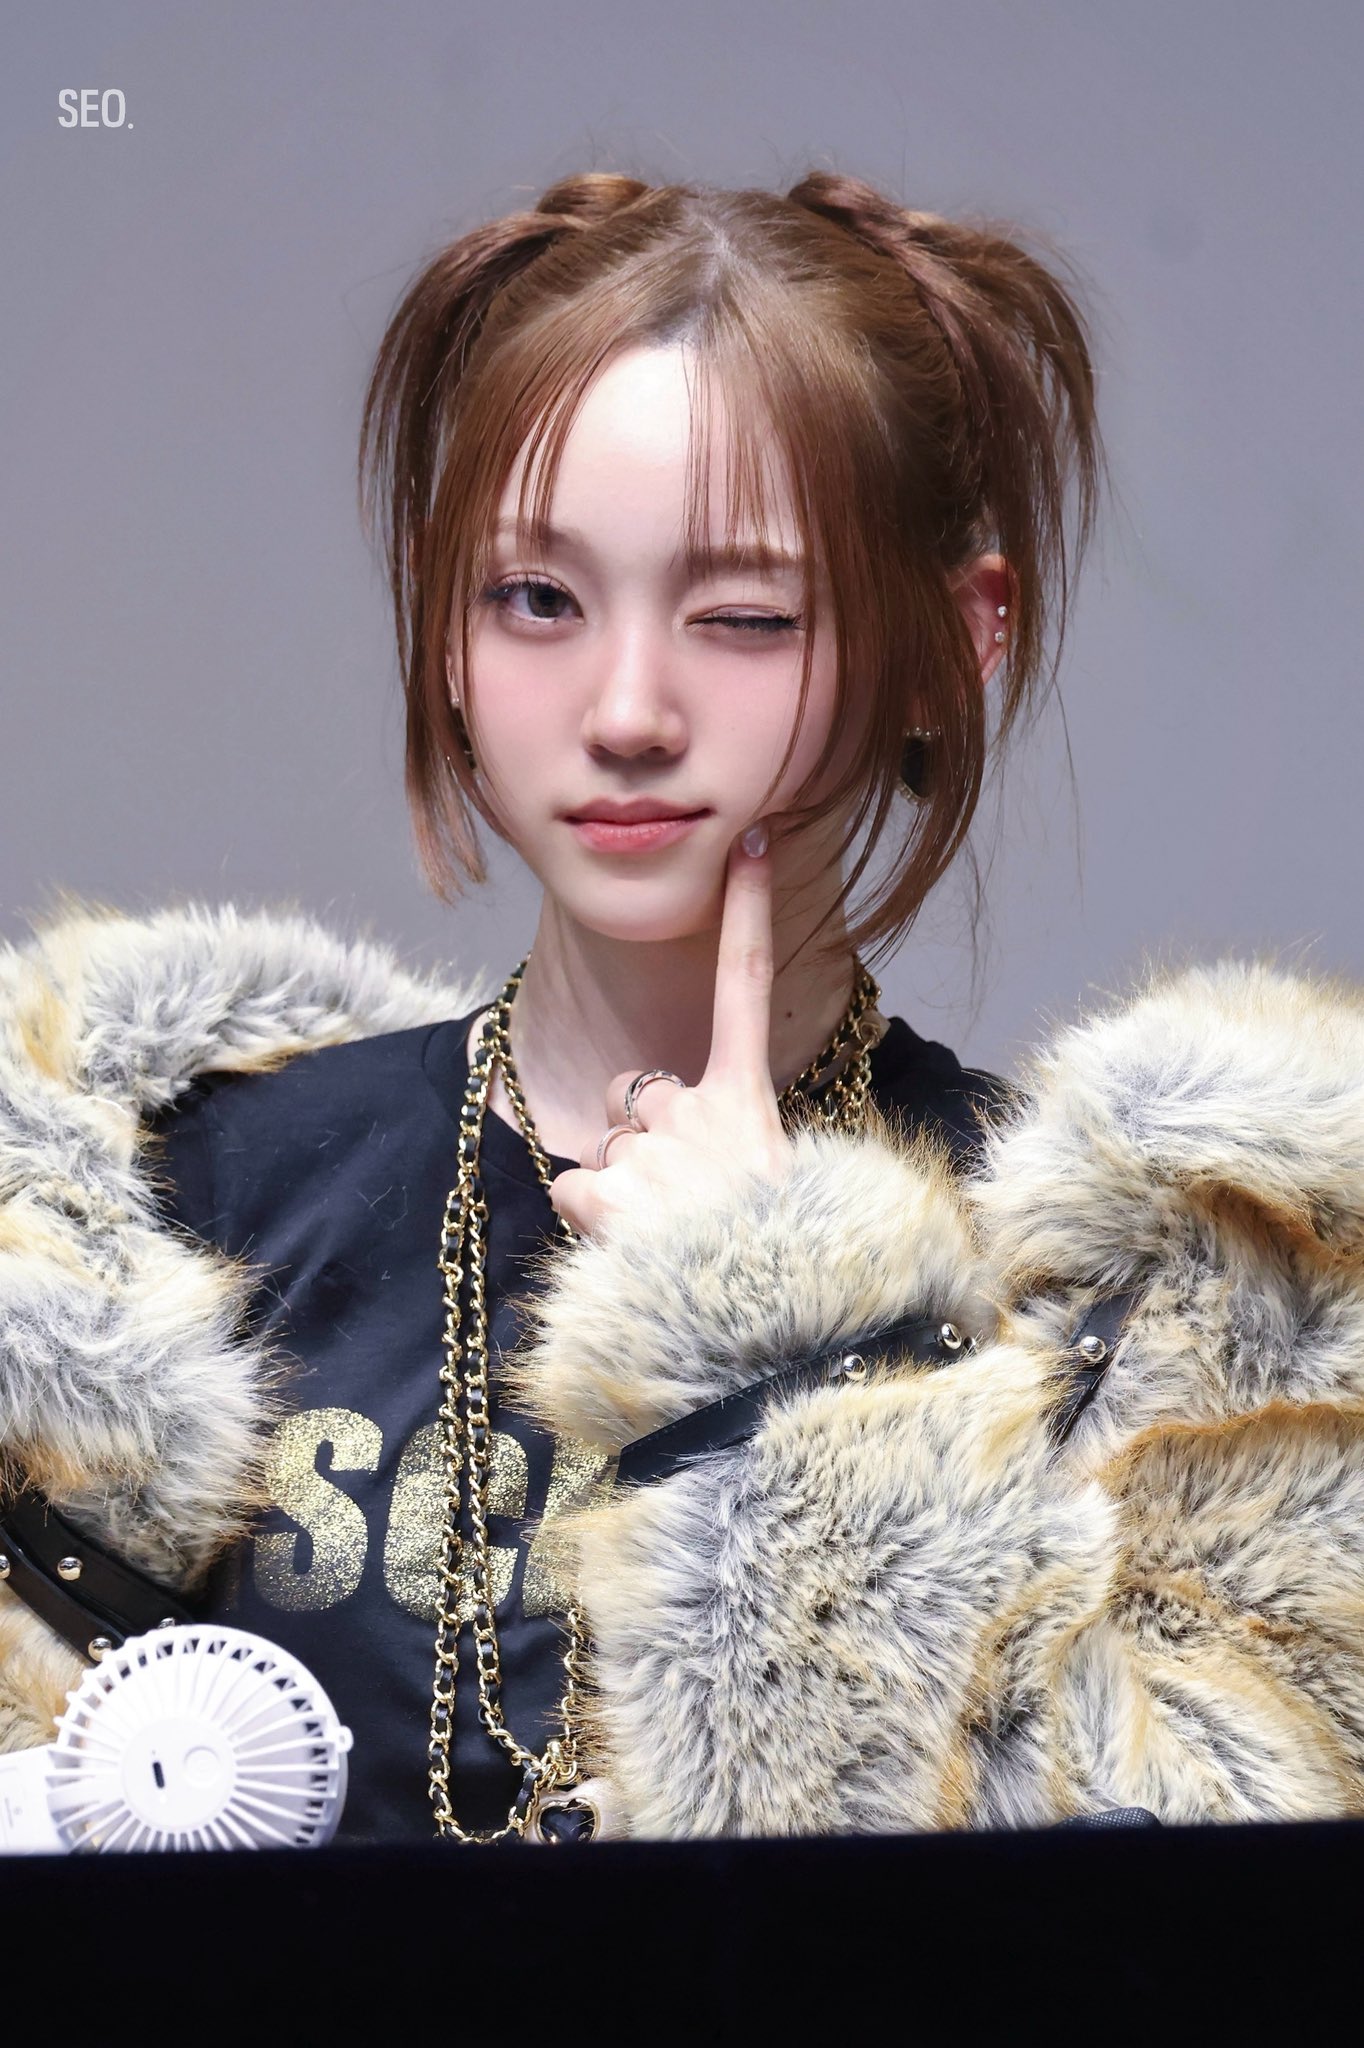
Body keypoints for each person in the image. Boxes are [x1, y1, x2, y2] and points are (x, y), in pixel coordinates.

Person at [4, 169, 1363, 1847]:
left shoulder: (1148, 1312)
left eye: (744, 617)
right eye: (536, 600)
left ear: (953, 640)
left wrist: (787, 1350)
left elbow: (1198, 1926)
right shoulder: (167, 1227)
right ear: (443, 629)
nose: (629, 709)